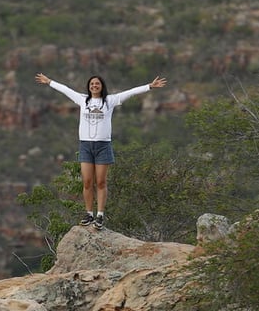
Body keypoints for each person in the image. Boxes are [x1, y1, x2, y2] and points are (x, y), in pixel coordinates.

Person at [35, 72, 168, 230]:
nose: (94, 86)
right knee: (87, 182)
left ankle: (100, 215)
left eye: (97, 84)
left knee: (101, 182)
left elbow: (130, 92)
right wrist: (49, 81)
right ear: (89, 87)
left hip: (103, 146)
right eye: (92, 84)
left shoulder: (109, 101)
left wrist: (149, 87)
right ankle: (89, 213)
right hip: (86, 145)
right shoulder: (83, 99)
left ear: (102, 86)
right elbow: (65, 89)